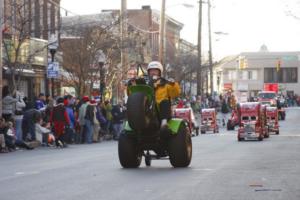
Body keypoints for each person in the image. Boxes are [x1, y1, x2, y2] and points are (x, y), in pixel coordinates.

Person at [146, 61, 181, 131]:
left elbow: (175, 94)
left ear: (159, 72)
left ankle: (164, 123)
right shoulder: (144, 84)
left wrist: (173, 84)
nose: (153, 72)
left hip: (161, 110)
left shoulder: (165, 83)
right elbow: (134, 96)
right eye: (151, 70)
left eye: (155, 70)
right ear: (148, 72)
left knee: (164, 101)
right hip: (147, 109)